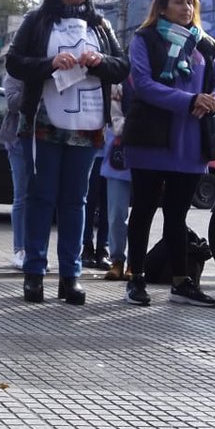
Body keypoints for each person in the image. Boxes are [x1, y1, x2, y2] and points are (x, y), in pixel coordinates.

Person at [6, 0, 129, 304]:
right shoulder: (37, 20)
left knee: (76, 201)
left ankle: (70, 276)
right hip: (44, 121)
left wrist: (100, 62)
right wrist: (49, 65)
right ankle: (34, 273)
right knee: (40, 197)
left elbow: (122, 67)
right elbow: (15, 62)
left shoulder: (101, 25)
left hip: (87, 125)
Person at [122, 0, 215, 308]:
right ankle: (136, 278)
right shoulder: (144, 39)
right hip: (151, 140)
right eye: (179, 2)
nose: (187, 8)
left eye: (190, 3)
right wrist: (189, 100)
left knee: (177, 215)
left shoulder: (204, 46)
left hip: (191, 143)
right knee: (142, 211)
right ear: (163, 6)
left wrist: (212, 101)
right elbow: (142, 84)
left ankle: (182, 282)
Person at [99, 83, 132, 281]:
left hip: (150, 150)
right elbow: (116, 122)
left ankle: (135, 262)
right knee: (116, 213)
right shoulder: (118, 84)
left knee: (142, 215)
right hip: (120, 155)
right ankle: (117, 259)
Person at [0, 72, 26, 268]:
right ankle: (20, 250)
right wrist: (35, 84)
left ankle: (35, 249)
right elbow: (13, 102)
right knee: (22, 196)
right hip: (18, 140)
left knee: (41, 197)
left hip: (45, 138)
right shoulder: (15, 70)